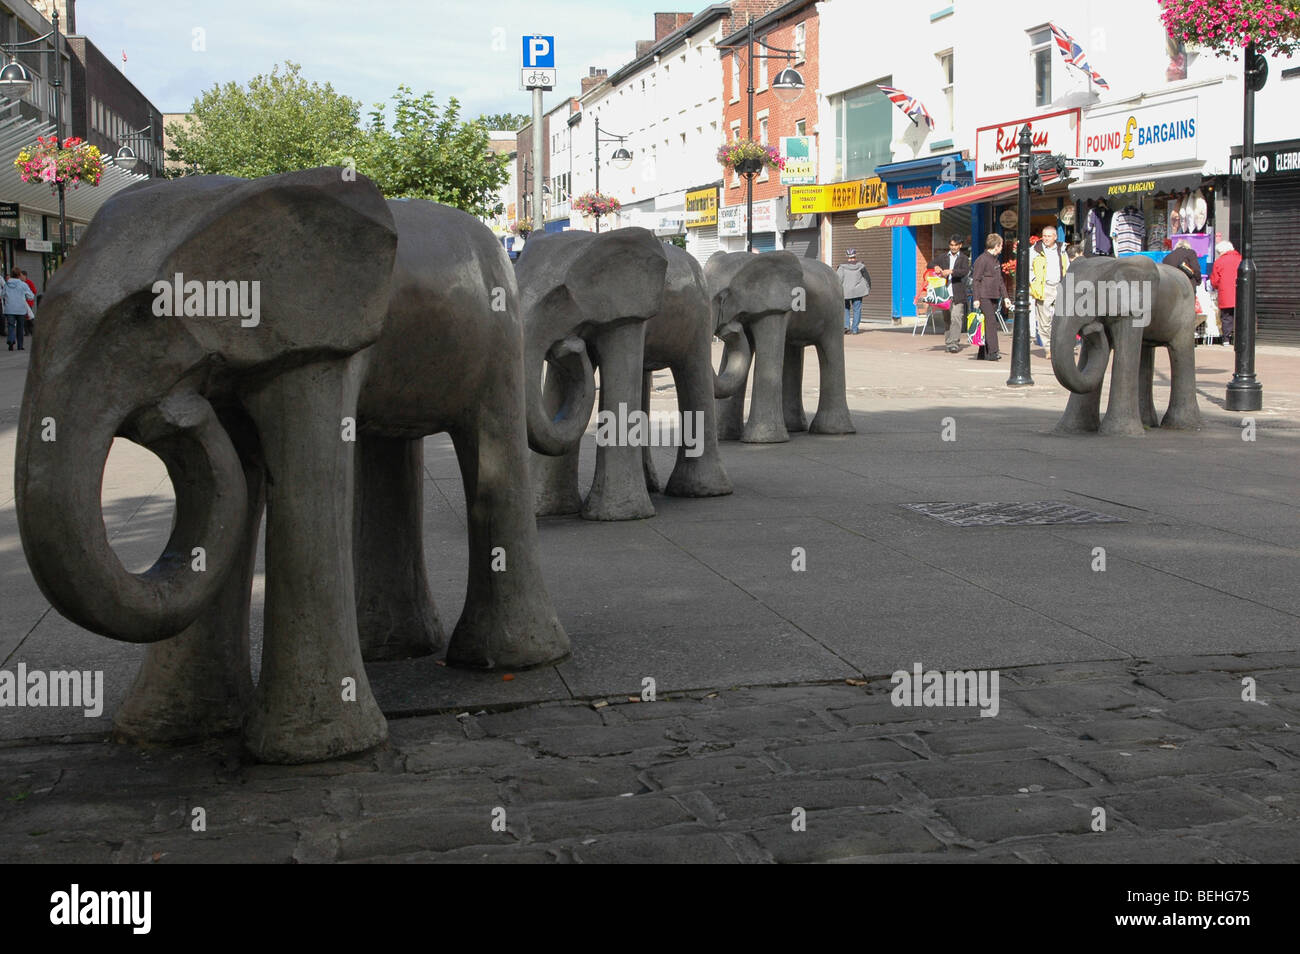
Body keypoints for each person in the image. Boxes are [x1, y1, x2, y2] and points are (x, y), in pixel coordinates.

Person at [1029, 229, 1068, 360]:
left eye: (1049, 236)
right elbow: (1028, 267)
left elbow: (1067, 266)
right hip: (1043, 287)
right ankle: (1048, 348)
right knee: (1044, 320)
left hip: (1059, 286)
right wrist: (1033, 280)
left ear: (1055, 237)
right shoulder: (1035, 250)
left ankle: (1059, 346)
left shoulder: (1062, 249)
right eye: (1044, 236)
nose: (1046, 238)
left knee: (1061, 318)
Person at [970, 233, 1005, 360]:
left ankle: (983, 352)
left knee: (986, 323)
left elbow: (1000, 280)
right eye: (1001, 245)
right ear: (996, 246)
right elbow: (976, 280)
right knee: (991, 322)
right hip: (984, 296)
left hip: (993, 295)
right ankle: (993, 352)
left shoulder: (995, 260)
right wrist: (976, 299)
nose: (1002, 248)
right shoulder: (982, 259)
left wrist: (1006, 297)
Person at [936, 234, 969, 353]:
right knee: (947, 319)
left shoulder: (964, 258)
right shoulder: (943, 257)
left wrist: (951, 271)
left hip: (957, 293)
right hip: (944, 293)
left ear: (960, 245)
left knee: (956, 317)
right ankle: (948, 342)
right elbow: (930, 264)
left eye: (956, 245)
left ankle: (954, 343)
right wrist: (936, 267)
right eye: (951, 245)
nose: (953, 247)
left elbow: (965, 271)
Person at [1209, 240, 1242, 347]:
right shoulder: (1240, 259)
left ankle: (1226, 339)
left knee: (1227, 317)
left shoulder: (1219, 262)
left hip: (1225, 293)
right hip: (1240, 294)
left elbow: (1214, 281)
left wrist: (1217, 286)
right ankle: (1240, 338)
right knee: (1240, 316)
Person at [836, 248, 870, 335]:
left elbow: (838, 280)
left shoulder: (842, 267)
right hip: (858, 292)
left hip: (845, 292)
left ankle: (846, 326)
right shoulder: (861, 267)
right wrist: (868, 288)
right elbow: (867, 278)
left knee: (845, 309)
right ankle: (855, 329)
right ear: (855, 256)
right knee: (857, 310)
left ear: (847, 257)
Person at [3, 268, 34, 351]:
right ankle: (20, 346)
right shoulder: (23, 285)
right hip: (20, 309)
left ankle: (11, 340)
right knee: (20, 327)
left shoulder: (6, 284)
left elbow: (2, 294)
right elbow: (31, 296)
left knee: (11, 325)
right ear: (19, 275)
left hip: (9, 308)